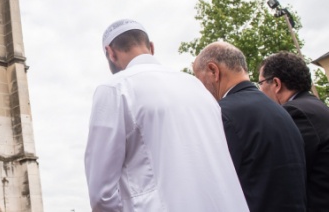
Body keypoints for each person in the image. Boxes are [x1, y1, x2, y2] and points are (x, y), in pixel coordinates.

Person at [84, 19, 248, 212]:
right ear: (151, 47)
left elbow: (101, 195)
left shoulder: (115, 88)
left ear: (110, 53)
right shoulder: (197, 87)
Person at [193, 42, 306, 212]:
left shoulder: (221, 114)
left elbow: (211, 187)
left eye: (199, 79)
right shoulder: (281, 111)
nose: (200, 89)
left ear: (213, 71)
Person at [259, 51, 329, 212]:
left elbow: (284, 171)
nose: (260, 91)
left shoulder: (294, 113)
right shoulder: (315, 106)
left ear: (276, 84)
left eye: (261, 83)